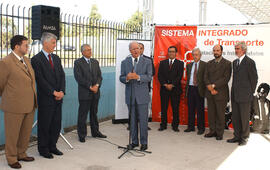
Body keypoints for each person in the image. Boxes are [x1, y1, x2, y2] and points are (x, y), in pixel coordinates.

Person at [0, 35, 37, 169]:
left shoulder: (26, 60)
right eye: (26, 45)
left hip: (29, 104)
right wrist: (10, 97)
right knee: (12, 134)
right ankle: (11, 158)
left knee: (25, 132)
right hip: (14, 105)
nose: (28, 47)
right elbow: (1, 84)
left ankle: (21, 153)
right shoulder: (6, 62)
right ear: (17, 46)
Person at [31, 32, 66, 159]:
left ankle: (53, 146)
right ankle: (43, 149)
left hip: (58, 98)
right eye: (53, 42)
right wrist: (53, 92)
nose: (55, 45)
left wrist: (61, 91)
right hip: (46, 99)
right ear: (45, 43)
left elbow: (62, 76)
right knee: (45, 125)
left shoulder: (56, 58)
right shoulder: (36, 59)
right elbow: (40, 80)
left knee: (56, 124)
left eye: (55, 43)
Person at [119, 41, 152, 151]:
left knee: (143, 121)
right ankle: (134, 142)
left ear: (140, 49)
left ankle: (144, 142)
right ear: (130, 50)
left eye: (137, 48)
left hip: (142, 97)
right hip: (131, 96)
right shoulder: (125, 62)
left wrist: (138, 77)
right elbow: (121, 77)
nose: (136, 50)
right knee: (132, 121)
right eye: (133, 49)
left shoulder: (147, 61)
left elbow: (149, 77)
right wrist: (127, 78)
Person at [74, 44, 106, 143]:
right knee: (83, 115)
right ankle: (82, 134)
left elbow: (99, 76)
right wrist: (90, 87)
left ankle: (95, 132)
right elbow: (79, 78)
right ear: (82, 52)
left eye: (90, 50)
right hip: (85, 93)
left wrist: (96, 85)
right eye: (87, 50)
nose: (90, 51)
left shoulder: (95, 62)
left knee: (94, 113)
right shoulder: (78, 62)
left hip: (95, 93)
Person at [227, 42, 258, 145]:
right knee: (235, 117)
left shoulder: (250, 62)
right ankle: (237, 136)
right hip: (235, 95)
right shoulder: (234, 62)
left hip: (245, 96)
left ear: (243, 50)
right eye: (235, 49)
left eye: (238, 49)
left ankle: (244, 138)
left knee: (244, 118)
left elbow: (254, 79)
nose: (236, 50)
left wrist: (250, 92)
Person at [204, 44, 231, 140]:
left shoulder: (227, 64)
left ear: (221, 51)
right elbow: (205, 77)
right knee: (211, 114)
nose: (215, 52)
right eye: (214, 50)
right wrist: (210, 88)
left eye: (217, 50)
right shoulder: (208, 63)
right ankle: (212, 131)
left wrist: (213, 86)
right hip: (210, 93)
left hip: (221, 93)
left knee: (220, 114)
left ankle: (219, 133)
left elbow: (225, 78)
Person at [158, 46, 184, 132]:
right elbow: (159, 75)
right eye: (170, 51)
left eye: (173, 52)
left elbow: (179, 76)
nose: (171, 53)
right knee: (164, 108)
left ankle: (175, 125)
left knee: (175, 108)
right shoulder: (162, 63)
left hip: (175, 89)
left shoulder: (180, 63)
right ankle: (163, 125)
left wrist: (172, 84)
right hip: (164, 89)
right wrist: (165, 84)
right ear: (168, 53)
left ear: (176, 53)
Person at [184, 47, 206, 135]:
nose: (195, 56)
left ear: (200, 55)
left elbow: (206, 78)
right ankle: (191, 127)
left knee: (200, 110)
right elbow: (188, 78)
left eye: (197, 54)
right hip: (190, 88)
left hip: (199, 89)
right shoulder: (189, 65)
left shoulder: (205, 65)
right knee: (190, 109)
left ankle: (201, 128)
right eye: (193, 55)